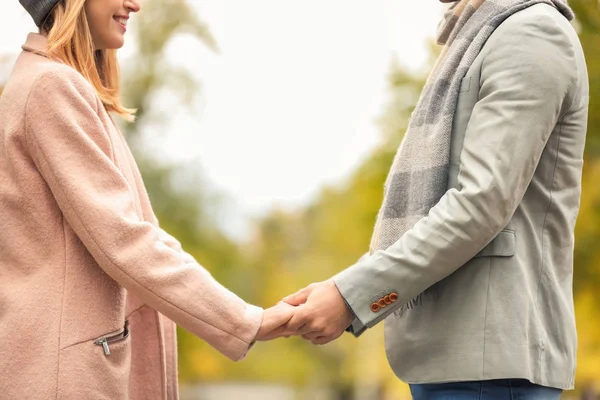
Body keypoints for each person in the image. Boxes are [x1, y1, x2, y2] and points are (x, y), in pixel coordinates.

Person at [281, 0, 589, 399]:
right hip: (458, 357)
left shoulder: (530, 35)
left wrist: (351, 296)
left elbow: (480, 204)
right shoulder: (480, 35)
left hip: (491, 366)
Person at [0, 0, 294, 398]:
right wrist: (245, 320)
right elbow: (125, 240)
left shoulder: (50, 84)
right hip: (62, 379)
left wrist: (246, 315)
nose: (134, 4)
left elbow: (143, 233)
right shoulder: (52, 87)